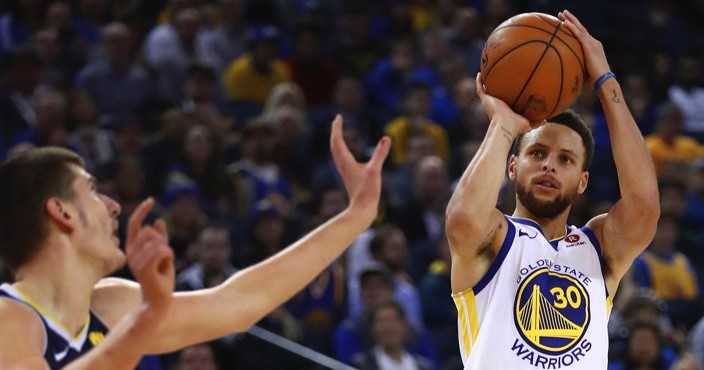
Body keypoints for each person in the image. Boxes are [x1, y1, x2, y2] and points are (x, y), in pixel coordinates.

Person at [0, 115, 390, 370]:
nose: (114, 206)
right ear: (61, 212)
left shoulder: (110, 305)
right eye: (91, 191)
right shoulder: (9, 317)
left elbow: (240, 302)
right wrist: (148, 315)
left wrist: (356, 217)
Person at [444, 10, 660, 370]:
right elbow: (463, 219)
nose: (549, 166)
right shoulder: (495, 238)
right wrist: (504, 125)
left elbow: (645, 206)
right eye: (538, 153)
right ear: (512, 167)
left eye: (565, 160)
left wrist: (606, 82)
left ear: (582, 181)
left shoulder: (598, 247)